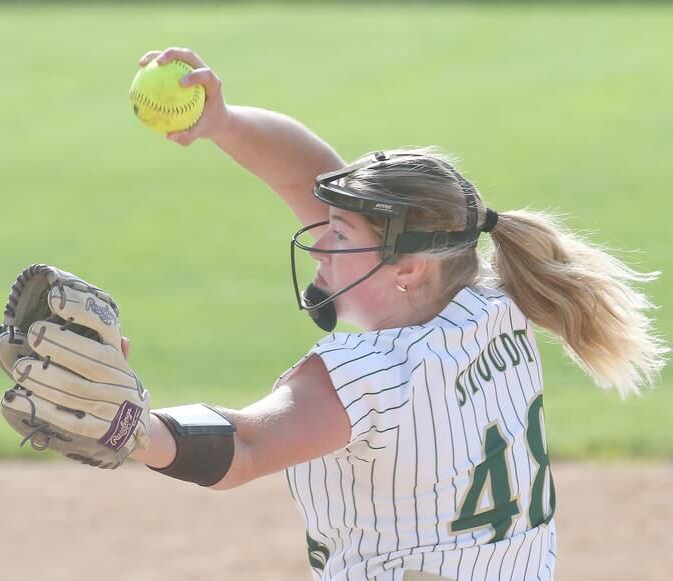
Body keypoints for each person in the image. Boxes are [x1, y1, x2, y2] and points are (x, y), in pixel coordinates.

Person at [127, 47, 668, 580]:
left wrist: (131, 426)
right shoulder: (495, 304)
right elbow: (308, 174)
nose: (318, 247)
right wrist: (224, 122)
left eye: (337, 234)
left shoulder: (372, 374)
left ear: (406, 270)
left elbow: (243, 445)